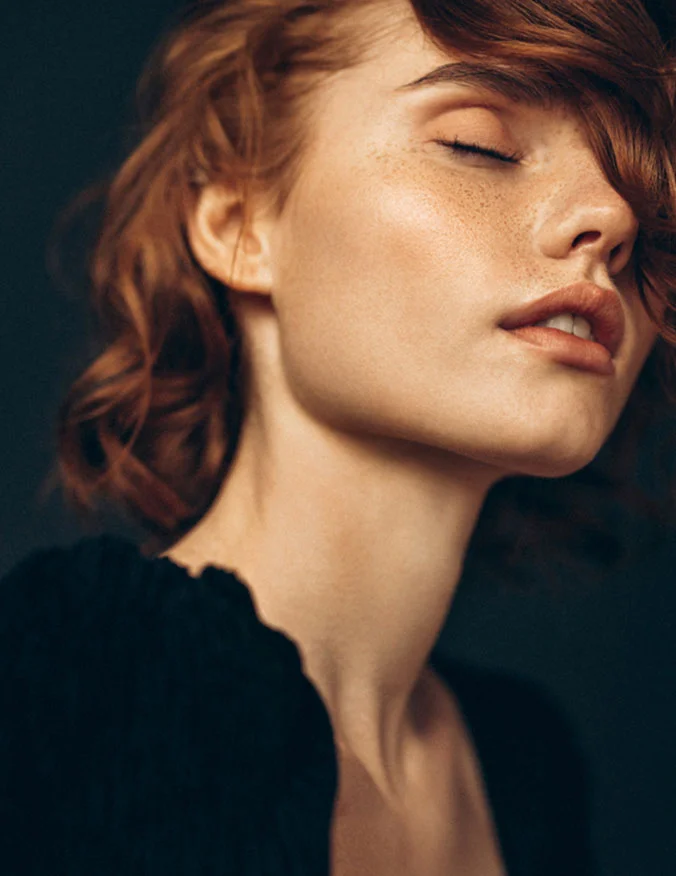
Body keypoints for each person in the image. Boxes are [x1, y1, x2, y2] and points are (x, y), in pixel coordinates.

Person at [2, 0, 675, 873]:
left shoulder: (527, 769)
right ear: (240, 226)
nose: (611, 220)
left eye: (647, 194)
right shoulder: (69, 680)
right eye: (481, 146)